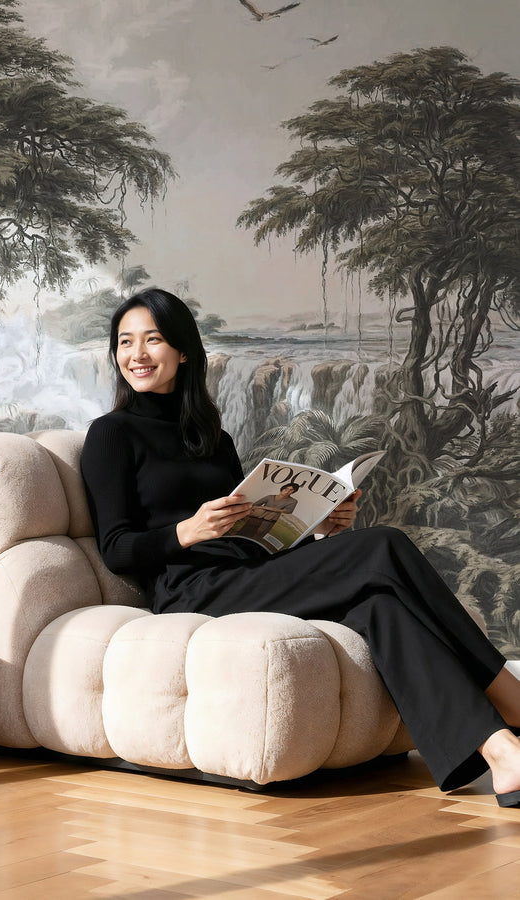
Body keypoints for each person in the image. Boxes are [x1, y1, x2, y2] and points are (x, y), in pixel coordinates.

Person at [80, 287, 520, 806]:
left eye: (152, 340)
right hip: (191, 589)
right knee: (385, 545)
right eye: (125, 342)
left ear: (182, 351)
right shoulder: (110, 435)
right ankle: (510, 696)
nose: (137, 354)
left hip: (246, 574)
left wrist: (316, 529)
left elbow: (253, 534)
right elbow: (116, 548)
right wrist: (187, 531)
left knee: (380, 608)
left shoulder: (213, 439)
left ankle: (502, 753)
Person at [235, 482, 299, 541]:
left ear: (293, 492)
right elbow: (255, 505)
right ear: (282, 488)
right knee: (243, 532)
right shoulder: (270, 497)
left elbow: (288, 511)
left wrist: (267, 508)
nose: (287, 491)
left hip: (269, 520)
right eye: (286, 489)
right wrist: (261, 508)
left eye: (291, 490)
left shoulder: (293, 501)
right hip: (256, 518)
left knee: (258, 537)